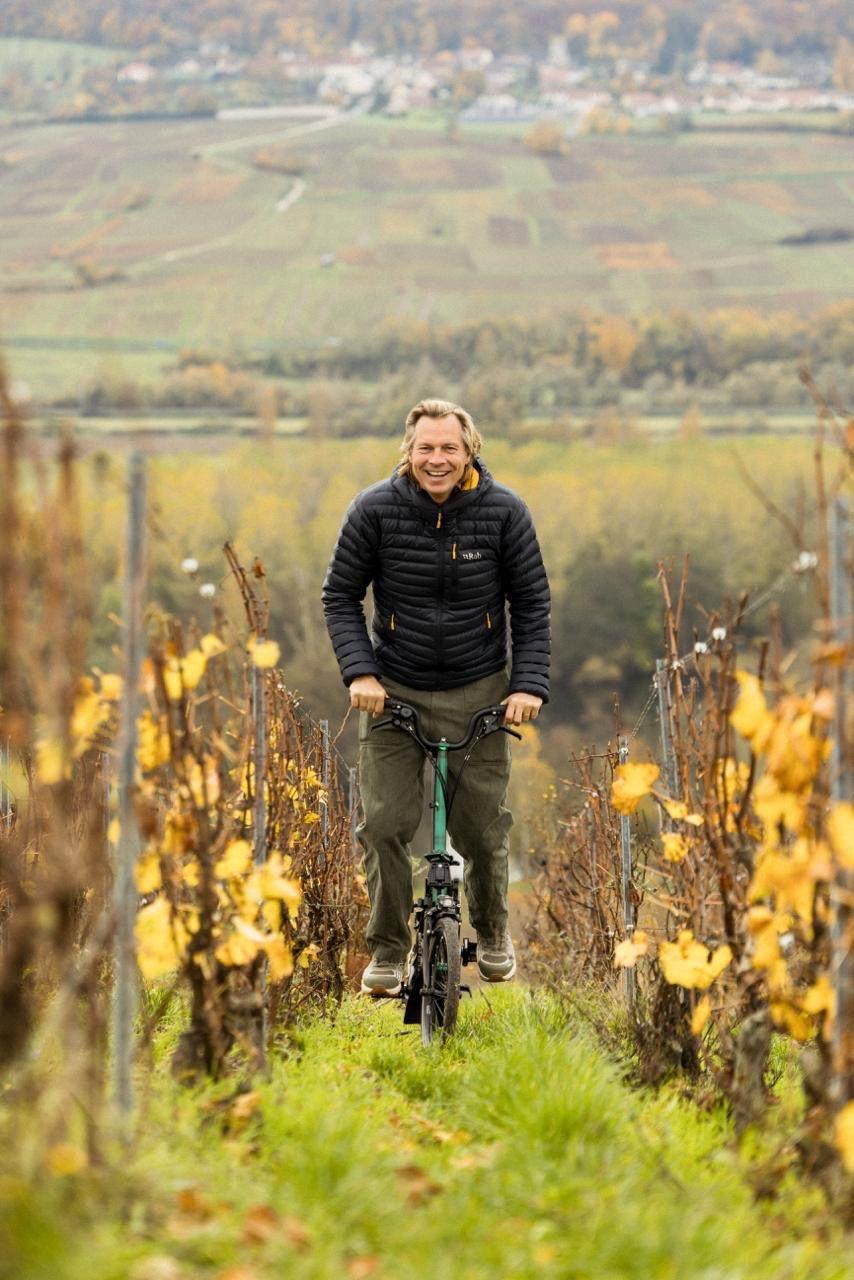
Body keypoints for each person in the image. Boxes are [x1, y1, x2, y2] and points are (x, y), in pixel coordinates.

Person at [322, 399, 550, 994]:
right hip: (393, 690)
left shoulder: (504, 513)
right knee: (385, 824)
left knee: (481, 829)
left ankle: (494, 934)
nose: (436, 460)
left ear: (469, 449)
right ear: (409, 450)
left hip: (479, 691)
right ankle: (389, 952)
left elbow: (531, 606)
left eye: (448, 448)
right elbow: (340, 596)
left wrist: (526, 685)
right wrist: (360, 674)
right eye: (426, 448)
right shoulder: (374, 510)